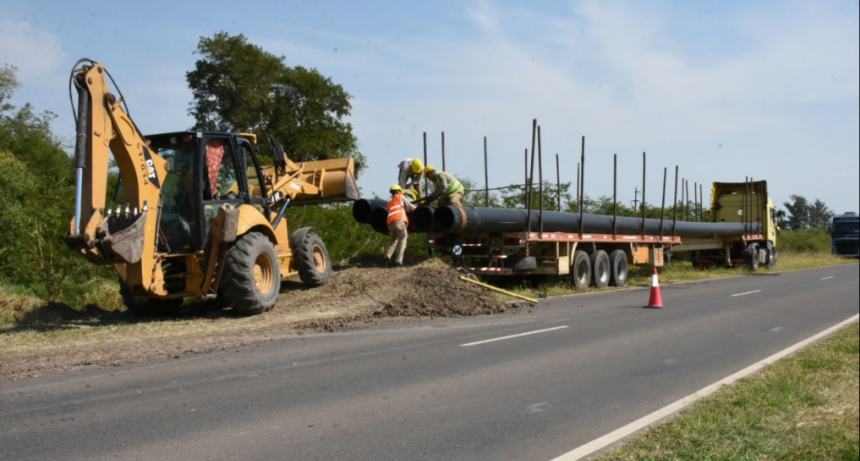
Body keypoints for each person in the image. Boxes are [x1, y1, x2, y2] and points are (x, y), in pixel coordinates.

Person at [384, 184, 416, 268]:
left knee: (393, 240)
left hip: (390, 224)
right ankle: (398, 261)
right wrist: (417, 208)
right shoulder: (400, 197)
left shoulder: (389, 203)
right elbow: (410, 207)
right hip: (399, 221)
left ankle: (386, 259)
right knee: (402, 240)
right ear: (398, 191)